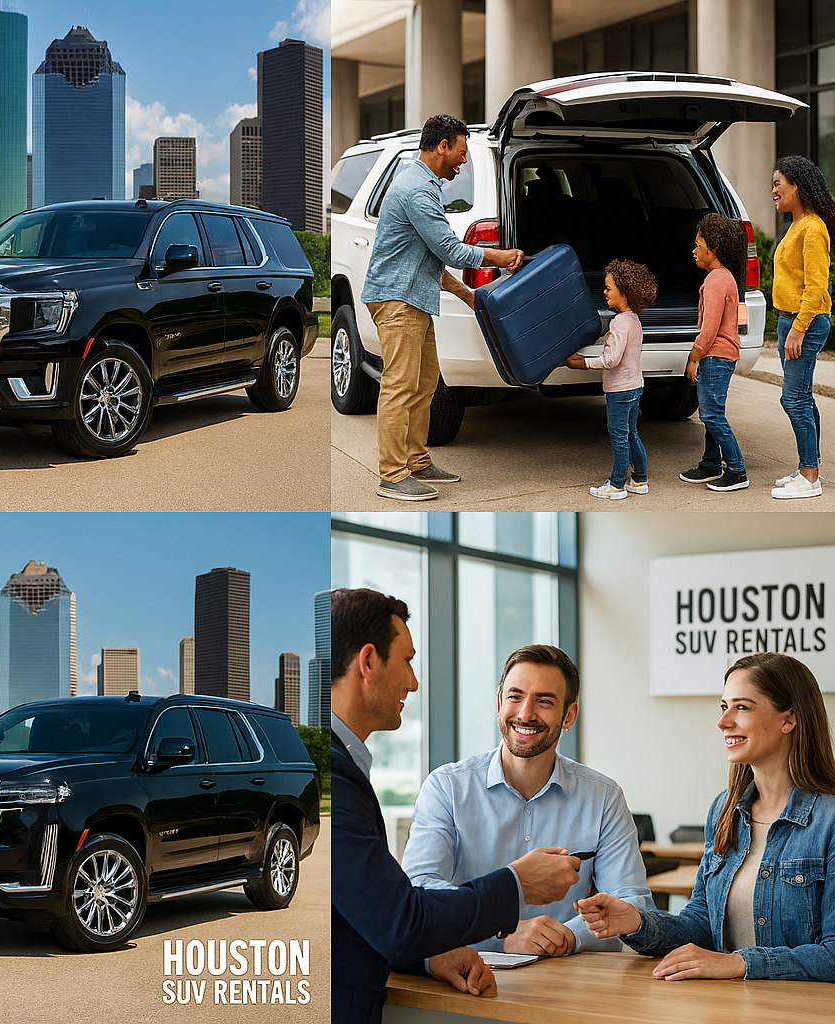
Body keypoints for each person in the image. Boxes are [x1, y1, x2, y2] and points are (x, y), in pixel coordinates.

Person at [331, 589, 581, 1023]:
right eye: (407, 661)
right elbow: (399, 920)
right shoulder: (331, 774)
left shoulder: (332, 765)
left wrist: (434, 957)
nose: (413, 681)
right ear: (368, 662)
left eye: (545, 700)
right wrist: (517, 885)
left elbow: (368, 918)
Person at [577, 652, 835, 983]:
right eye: (724, 706)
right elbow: (702, 922)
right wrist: (639, 923)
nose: (723, 721)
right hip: (724, 1010)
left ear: (788, 720)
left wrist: (738, 963)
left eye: (742, 707)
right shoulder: (724, 811)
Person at [403, 644, 654, 959]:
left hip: (570, 979)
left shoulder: (603, 797)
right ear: (499, 703)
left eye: (544, 701)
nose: (525, 713)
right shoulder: (446, 788)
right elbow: (421, 891)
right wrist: (500, 933)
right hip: (465, 974)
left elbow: (631, 903)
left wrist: (568, 936)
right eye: (515, 696)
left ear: (569, 716)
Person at [361, 114, 524, 503]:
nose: (463, 161)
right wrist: (499, 257)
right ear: (443, 146)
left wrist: (468, 296)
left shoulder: (424, 186)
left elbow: (429, 258)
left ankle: (417, 460)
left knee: (426, 382)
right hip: (398, 301)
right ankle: (393, 475)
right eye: (462, 152)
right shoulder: (417, 190)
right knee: (399, 387)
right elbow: (450, 249)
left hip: (413, 297)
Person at [768, 155, 835, 499]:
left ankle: (810, 478)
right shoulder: (798, 225)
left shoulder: (813, 229)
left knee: (793, 399)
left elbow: (817, 287)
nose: (773, 191)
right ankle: (806, 468)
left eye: (778, 184)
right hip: (789, 320)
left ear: (797, 186)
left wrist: (798, 329)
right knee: (801, 397)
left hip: (805, 323)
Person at [566, 259, 656, 500]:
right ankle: (640, 479)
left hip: (619, 390)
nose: (604, 292)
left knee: (618, 435)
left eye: (608, 288)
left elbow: (611, 360)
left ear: (624, 293)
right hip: (635, 386)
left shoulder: (619, 324)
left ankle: (617, 485)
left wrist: (584, 363)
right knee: (630, 433)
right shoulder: (634, 320)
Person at [678, 214, 750, 492]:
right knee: (712, 412)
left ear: (713, 249)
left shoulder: (715, 281)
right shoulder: (723, 277)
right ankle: (710, 463)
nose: (693, 250)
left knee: (711, 415)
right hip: (721, 355)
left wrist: (694, 356)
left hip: (716, 356)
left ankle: (737, 470)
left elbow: (709, 329)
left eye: (698, 245)